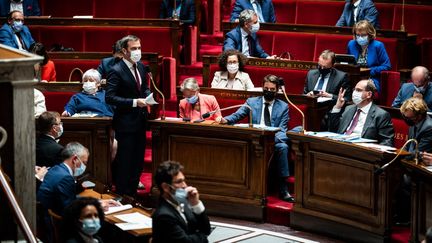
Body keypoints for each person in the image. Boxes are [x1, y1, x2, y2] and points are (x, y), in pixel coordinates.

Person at [219, 74, 294, 202]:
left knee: (283, 146)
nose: (268, 92)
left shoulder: (283, 106)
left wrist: (270, 139)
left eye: (272, 90)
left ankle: (283, 188)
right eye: (266, 89)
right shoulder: (251, 102)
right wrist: (226, 120)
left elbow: (282, 130)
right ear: (262, 87)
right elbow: (237, 115)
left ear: (277, 90)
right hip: (254, 139)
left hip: (273, 140)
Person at [105, 35, 153, 196]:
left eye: (139, 48)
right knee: (125, 163)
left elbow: (144, 88)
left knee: (137, 163)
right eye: (134, 48)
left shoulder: (141, 67)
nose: (138, 51)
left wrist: (147, 97)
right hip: (125, 124)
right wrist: (134, 102)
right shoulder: (116, 70)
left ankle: (132, 196)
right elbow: (110, 97)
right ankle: (122, 196)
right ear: (124, 51)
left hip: (140, 122)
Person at [37, 142, 120, 215]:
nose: (85, 166)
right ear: (75, 159)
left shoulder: (55, 169)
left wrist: (97, 201)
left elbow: (69, 198)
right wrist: (96, 206)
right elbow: (69, 209)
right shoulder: (66, 178)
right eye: (84, 162)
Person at [152, 161, 211, 242]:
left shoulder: (184, 203)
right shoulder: (163, 215)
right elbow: (186, 241)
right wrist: (203, 236)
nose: (184, 185)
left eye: (184, 180)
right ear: (165, 187)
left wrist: (196, 204)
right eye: (179, 182)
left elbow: (206, 229)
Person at [328, 79, 394, 146]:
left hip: (362, 150)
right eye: (354, 90)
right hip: (341, 145)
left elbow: (387, 141)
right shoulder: (349, 109)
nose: (354, 93)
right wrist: (337, 107)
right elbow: (333, 130)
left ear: (369, 94)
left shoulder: (381, 115)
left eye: (358, 90)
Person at [347, 20, 391, 93]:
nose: (360, 37)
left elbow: (386, 66)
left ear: (370, 35)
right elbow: (348, 62)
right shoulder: (351, 44)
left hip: (371, 78)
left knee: (362, 89)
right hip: (354, 77)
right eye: (358, 35)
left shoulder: (378, 46)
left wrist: (369, 71)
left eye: (363, 35)